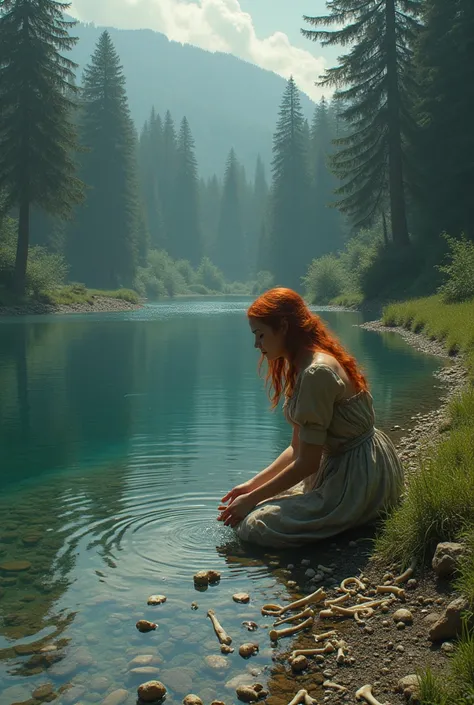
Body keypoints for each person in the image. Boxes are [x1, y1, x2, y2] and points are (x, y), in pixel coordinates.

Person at [217, 287, 404, 548]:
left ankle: (355, 514)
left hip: (358, 477)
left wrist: (251, 500)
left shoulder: (316, 373)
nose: (256, 345)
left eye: (260, 335)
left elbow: (307, 463)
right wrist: (251, 487)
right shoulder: (302, 365)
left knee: (254, 525)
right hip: (347, 466)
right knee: (254, 506)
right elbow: (296, 448)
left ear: (283, 326)